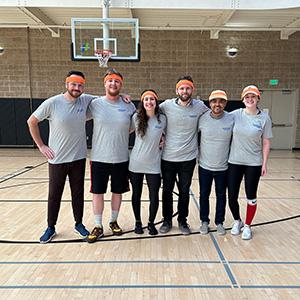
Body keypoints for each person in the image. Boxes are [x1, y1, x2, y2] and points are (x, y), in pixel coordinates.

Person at [27, 70, 93, 243]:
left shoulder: (85, 100)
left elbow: (107, 99)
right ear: (67, 84)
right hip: (57, 159)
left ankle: (79, 224)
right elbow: (31, 121)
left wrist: (123, 95)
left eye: (80, 85)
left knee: (78, 193)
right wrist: (41, 146)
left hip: (78, 158)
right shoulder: (53, 103)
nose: (77, 88)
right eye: (74, 84)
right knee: (54, 194)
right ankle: (50, 227)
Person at [87, 68, 136, 243]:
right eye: (110, 81)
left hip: (121, 157)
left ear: (121, 84)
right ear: (105, 83)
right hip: (99, 158)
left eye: (116, 81)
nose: (113, 84)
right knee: (98, 192)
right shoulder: (95, 103)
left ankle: (113, 221)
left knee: (117, 191)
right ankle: (98, 225)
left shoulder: (129, 105)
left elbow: (132, 126)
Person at [159, 75, 209, 235]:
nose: (185, 91)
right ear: (176, 90)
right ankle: (167, 220)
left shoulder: (200, 106)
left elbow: (215, 115)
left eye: (187, 88)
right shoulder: (166, 105)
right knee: (167, 190)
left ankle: (182, 220)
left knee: (184, 191)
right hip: (168, 157)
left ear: (192, 90)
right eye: (182, 88)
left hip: (188, 158)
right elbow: (149, 111)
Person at [228, 85, 272, 240]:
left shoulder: (264, 118)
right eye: (247, 97)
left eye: (253, 96)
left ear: (258, 98)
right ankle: (237, 220)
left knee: (251, 195)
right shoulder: (235, 115)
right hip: (234, 161)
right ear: (243, 99)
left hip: (253, 163)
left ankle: (247, 225)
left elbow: (266, 142)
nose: (250, 99)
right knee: (231, 196)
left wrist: (264, 163)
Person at [129, 89, 167, 235]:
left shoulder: (162, 119)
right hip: (136, 163)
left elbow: (167, 133)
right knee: (136, 194)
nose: (149, 102)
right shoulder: (136, 118)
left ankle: (151, 223)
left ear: (156, 102)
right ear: (142, 102)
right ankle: (137, 222)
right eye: (146, 99)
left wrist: (163, 138)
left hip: (154, 164)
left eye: (152, 99)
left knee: (154, 196)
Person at [198, 90, 234, 235]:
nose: (217, 104)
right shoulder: (202, 118)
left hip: (223, 167)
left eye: (221, 101)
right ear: (209, 103)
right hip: (204, 166)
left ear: (225, 103)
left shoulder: (232, 118)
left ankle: (219, 222)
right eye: (214, 101)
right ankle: (204, 221)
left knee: (221, 196)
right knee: (204, 195)